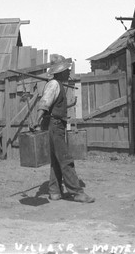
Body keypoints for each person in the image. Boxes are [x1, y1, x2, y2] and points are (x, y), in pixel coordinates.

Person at [30, 59, 95, 203]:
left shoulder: (57, 85)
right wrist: (36, 120)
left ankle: (54, 191)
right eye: (67, 71)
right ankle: (77, 192)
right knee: (65, 159)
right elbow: (45, 103)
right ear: (60, 72)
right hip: (54, 125)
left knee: (56, 159)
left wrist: (70, 103)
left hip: (55, 124)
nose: (69, 73)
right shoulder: (54, 84)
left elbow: (55, 105)